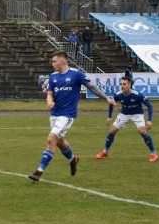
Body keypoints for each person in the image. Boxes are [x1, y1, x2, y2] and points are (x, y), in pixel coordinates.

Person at [28, 50, 115, 182]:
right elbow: (50, 93)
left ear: (62, 61)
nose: (52, 64)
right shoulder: (53, 76)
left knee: (51, 139)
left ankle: (39, 171)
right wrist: (50, 101)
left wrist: (106, 97)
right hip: (55, 114)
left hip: (67, 115)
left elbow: (92, 86)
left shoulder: (76, 74)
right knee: (60, 142)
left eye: (54, 61)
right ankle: (73, 159)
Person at [96, 76, 158, 162]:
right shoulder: (118, 95)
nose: (122, 86)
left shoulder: (137, 95)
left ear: (129, 85)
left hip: (137, 114)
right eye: (121, 84)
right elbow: (111, 104)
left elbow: (150, 106)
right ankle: (105, 152)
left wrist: (149, 120)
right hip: (124, 114)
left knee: (142, 131)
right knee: (112, 131)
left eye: (124, 84)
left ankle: (154, 153)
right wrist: (109, 117)